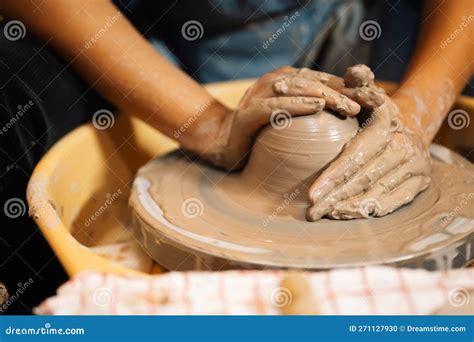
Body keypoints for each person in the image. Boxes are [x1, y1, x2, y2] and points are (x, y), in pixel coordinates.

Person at [0, 0, 471, 311]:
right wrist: (207, 123)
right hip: (141, 43)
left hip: (358, 30)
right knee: (12, 83)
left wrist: (416, 113)